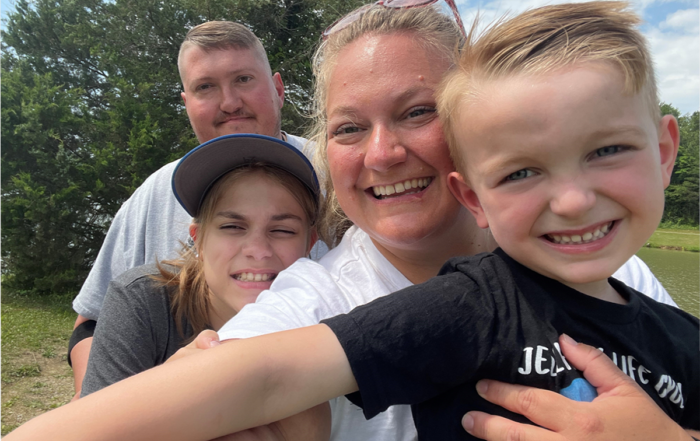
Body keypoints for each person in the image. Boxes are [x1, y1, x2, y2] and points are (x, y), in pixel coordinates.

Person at [5, 3, 691, 441]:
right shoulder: (312, 301)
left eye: (418, 111)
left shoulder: (605, 264)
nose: (384, 152)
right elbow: (256, 373)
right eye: (349, 127)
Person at [67, 20, 315, 397]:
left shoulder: (338, 176)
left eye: (244, 79)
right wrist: (105, 404)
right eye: (205, 87)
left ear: (279, 89)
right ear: (186, 103)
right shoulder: (154, 193)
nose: (230, 102)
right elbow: (90, 324)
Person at [80, 134, 320, 397]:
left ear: (310, 243)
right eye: (232, 227)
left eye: (283, 230)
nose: (258, 250)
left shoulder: (324, 320)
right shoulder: (142, 303)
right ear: (199, 241)